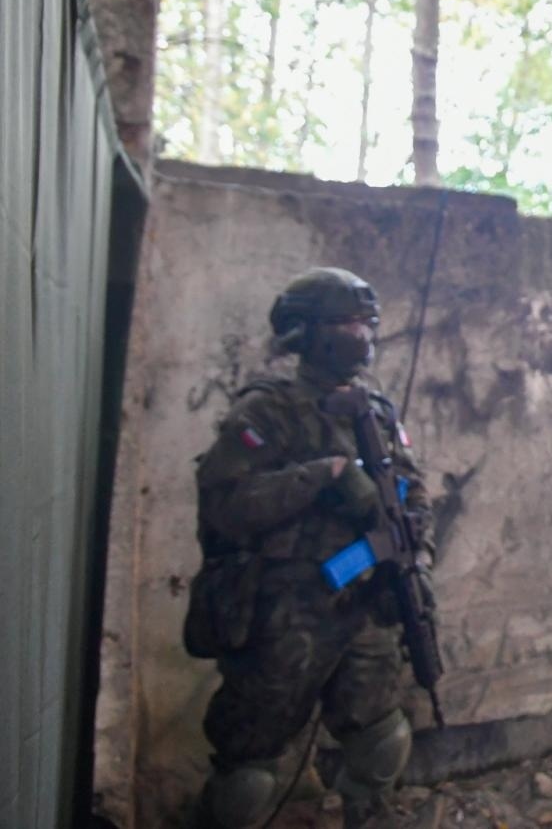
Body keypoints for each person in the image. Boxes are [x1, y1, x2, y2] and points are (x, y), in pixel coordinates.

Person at [183, 267, 434, 828]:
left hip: (366, 604)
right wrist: (324, 475)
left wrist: (419, 559)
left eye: (367, 321)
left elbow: (414, 495)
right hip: (286, 610)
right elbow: (226, 504)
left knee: (381, 737)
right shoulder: (268, 410)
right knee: (249, 765)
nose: (361, 333)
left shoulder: (379, 410)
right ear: (307, 331)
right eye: (346, 322)